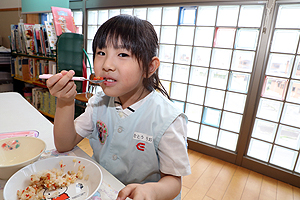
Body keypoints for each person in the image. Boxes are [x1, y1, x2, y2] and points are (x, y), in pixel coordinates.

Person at [46, 14, 191, 200]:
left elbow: (173, 181)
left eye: (123, 54)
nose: (107, 65)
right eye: (101, 53)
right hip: (101, 189)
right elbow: (64, 144)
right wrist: (65, 101)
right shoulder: (98, 102)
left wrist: (152, 191)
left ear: (149, 67)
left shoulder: (168, 119)